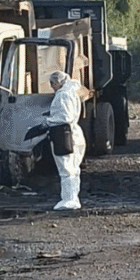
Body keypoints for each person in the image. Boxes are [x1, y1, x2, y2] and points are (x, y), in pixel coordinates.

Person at [43, 71, 86, 210]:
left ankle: (69, 199)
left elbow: (63, 117)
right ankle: (73, 198)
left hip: (64, 135)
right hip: (74, 134)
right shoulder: (72, 91)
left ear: (54, 83)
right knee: (73, 169)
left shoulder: (62, 95)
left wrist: (47, 122)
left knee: (66, 168)